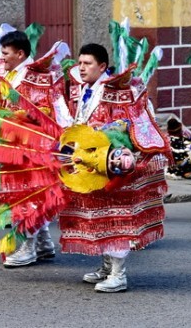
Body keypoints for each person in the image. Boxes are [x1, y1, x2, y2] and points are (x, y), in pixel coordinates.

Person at [62, 43, 169, 292]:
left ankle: (119, 275)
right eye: (80, 63)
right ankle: (107, 267)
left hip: (114, 166)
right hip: (90, 165)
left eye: (87, 63)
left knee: (116, 218)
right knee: (99, 219)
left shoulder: (119, 92)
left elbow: (126, 128)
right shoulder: (85, 91)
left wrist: (113, 154)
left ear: (102, 66)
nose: (82, 67)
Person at [0, 29, 71, 267]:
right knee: (26, 195)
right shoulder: (12, 75)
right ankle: (43, 243)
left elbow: (45, 113)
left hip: (34, 148)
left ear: (20, 53)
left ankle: (27, 248)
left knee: (28, 197)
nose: (2, 58)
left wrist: (13, 118)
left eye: (5, 53)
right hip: (14, 147)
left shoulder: (37, 76)